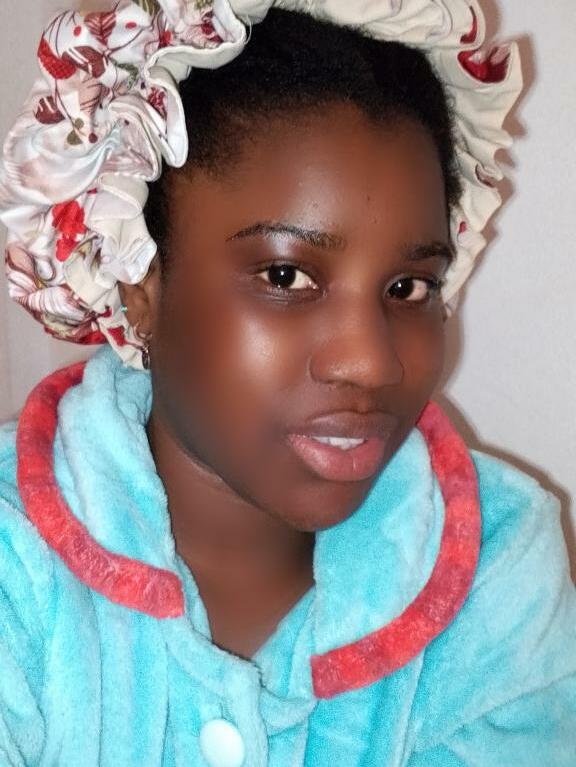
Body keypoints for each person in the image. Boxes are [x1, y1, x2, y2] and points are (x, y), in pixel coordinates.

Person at [0, 1, 575, 765]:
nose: (370, 363)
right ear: (136, 280)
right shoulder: (14, 565)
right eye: (285, 276)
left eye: (408, 287)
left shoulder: (498, 566)